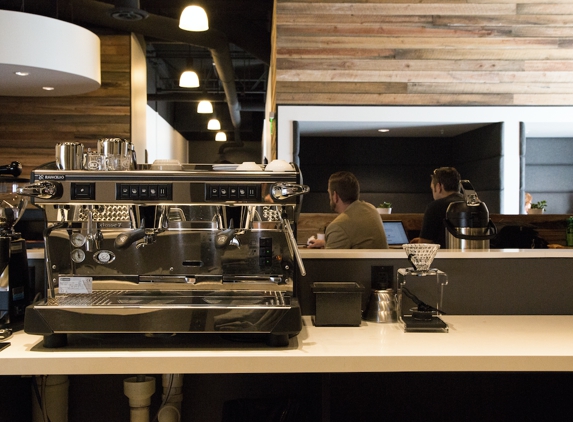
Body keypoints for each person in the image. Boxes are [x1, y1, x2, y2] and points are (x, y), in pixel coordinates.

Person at [307, 171, 388, 249]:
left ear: (335, 196)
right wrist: (325, 243)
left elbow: (330, 263)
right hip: (380, 262)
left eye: (329, 193)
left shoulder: (338, 226)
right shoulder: (371, 209)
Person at [410, 167, 463, 248]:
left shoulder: (435, 207)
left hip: (444, 259)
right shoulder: (476, 203)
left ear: (439, 187)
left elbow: (425, 245)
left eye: (432, 188)